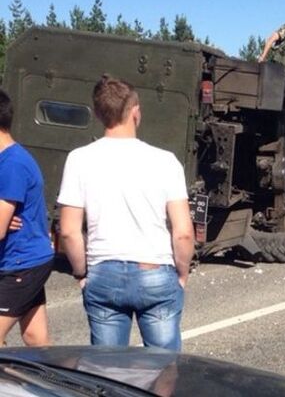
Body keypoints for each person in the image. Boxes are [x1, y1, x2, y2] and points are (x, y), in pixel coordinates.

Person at [57, 75, 195, 351]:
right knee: (165, 371)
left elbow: (70, 231)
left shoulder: (79, 159)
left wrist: (81, 274)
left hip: (103, 273)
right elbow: (183, 232)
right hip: (155, 270)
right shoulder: (165, 161)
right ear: (135, 112)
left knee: (108, 372)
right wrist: (181, 274)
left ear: (97, 114)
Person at [0, 88, 54, 347]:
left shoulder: (13, 165)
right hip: (24, 259)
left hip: (21, 263)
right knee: (36, 338)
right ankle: (58, 385)